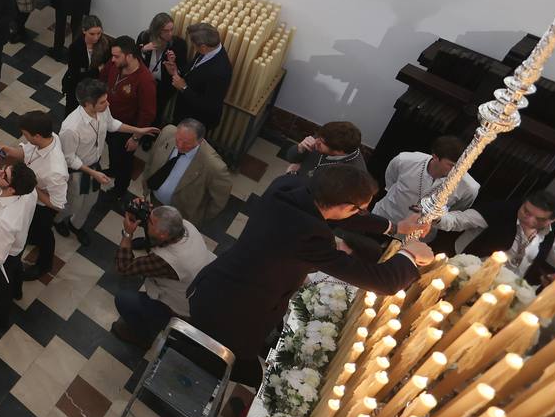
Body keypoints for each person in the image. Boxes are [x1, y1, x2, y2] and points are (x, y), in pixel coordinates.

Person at [188, 164, 434, 386]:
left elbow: (335, 215)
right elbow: (384, 281)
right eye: (360, 210)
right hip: (235, 312)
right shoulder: (310, 238)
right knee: (219, 362)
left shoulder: (290, 186)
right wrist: (410, 256)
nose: (360, 214)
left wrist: (395, 227)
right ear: (345, 207)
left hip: (218, 279)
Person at [55, 79, 158, 246]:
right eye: (103, 102)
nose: (107, 103)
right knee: (74, 203)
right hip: (78, 172)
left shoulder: (103, 109)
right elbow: (68, 158)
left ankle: (76, 225)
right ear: (88, 104)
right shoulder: (71, 128)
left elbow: (111, 124)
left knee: (90, 201)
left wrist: (137, 130)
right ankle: (58, 220)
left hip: (95, 166)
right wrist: (93, 172)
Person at [111, 205, 216, 348]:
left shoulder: (169, 260)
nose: (146, 220)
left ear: (162, 235)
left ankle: (142, 336)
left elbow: (123, 267)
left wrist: (127, 234)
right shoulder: (185, 226)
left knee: (123, 299)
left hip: (182, 310)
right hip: (204, 289)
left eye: (150, 222)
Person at [431, 190, 555, 284]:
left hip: (510, 286)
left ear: (552, 220)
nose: (529, 220)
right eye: (526, 212)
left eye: (539, 219)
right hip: (469, 273)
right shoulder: (502, 210)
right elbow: (459, 220)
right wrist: (434, 217)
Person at [0, 111, 69, 281]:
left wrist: (32, 188)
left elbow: (58, 204)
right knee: (30, 229)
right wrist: (11, 152)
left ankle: (44, 265)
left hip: (43, 207)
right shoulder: (48, 138)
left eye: (26, 134)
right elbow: (27, 152)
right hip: (31, 196)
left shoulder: (55, 170)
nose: (24, 137)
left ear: (37, 135)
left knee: (43, 234)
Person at [372, 136, 477, 241]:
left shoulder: (469, 187)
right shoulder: (405, 160)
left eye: (462, 166)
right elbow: (390, 182)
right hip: (384, 220)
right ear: (435, 157)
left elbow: (454, 214)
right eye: (451, 165)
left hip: (417, 238)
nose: (458, 171)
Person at [0, 162, 40, 327]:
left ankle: (1, 319)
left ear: (12, 190)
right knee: (17, 269)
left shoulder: (5, 221)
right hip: (18, 244)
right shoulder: (29, 192)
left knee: (2, 287)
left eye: (5, 175)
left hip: (6, 254)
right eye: (5, 169)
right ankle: (17, 291)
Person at [138, 119, 233, 227]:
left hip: (180, 218)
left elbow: (219, 201)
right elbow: (151, 160)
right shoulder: (168, 132)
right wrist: (146, 187)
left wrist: (196, 218)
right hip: (155, 202)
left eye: (186, 143)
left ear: (200, 141)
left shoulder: (215, 167)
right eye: (178, 139)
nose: (180, 145)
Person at [101, 36, 158, 184]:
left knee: (124, 162)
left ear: (130, 56)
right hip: (107, 119)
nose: (112, 60)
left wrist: (135, 137)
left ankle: (119, 190)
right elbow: (102, 78)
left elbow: (148, 113)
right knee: (112, 151)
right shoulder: (115, 64)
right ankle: (113, 169)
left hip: (125, 130)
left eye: (116, 56)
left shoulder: (145, 81)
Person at [165, 22, 232, 133]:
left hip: (196, 121)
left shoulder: (220, 72)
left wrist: (184, 88)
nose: (193, 47)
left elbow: (210, 106)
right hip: (184, 111)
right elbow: (193, 70)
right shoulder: (208, 50)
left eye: (194, 44)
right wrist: (176, 70)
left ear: (203, 47)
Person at [136, 12, 189, 123]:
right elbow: (133, 57)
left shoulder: (179, 44)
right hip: (143, 81)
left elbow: (183, 69)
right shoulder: (144, 37)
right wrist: (143, 50)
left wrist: (174, 65)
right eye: (166, 31)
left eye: (171, 30)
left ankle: (150, 136)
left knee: (156, 113)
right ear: (156, 30)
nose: (170, 34)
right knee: (138, 107)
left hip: (163, 86)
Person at [279, 120, 368, 179]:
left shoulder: (354, 174)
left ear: (339, 152)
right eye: (318, 136)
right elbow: (291, 158)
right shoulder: (324, 137)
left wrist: (290, 176)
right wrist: (299, 149)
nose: (315, 141)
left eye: (321, 142)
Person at [62, 15, 112, 109]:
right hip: (76, 88)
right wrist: (97, 70)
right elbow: (76, 74)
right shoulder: (75, 47)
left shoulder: (105, 45)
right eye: (92, 34)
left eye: (99, 33)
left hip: (94, 88)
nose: (96, 38)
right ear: (84, 31)